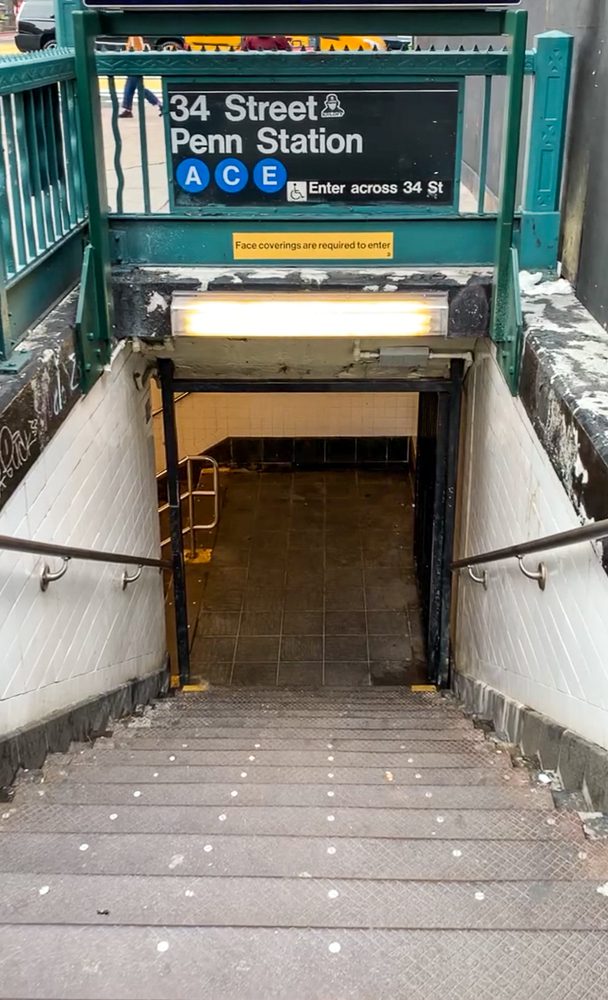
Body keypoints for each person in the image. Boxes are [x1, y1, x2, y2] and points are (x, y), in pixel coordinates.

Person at [119, 36, 162, 119]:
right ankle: (127, 110)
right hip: (134, 66)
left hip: (135, 66)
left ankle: (159, 104)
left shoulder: (135, 37)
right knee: (133, 88)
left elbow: (137, 51)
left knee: (135, 88)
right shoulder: (132, 36)